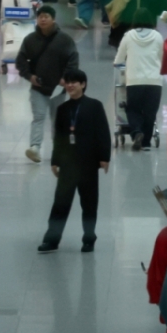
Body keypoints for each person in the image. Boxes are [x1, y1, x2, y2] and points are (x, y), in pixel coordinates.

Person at [38, 68, 111, 253]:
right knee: (60, 203)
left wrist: (104, 157)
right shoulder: (62, 109)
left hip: (88, 163)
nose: (70, 85)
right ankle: (51, 239)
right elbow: (59, 137)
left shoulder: (95, 106)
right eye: (68, 82)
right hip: (68, 164)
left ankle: (89, 238)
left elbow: (103, 133)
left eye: (74, 82)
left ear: (83, 84)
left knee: (89, 204)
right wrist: (55, 160)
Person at [15, 6, 80, 164]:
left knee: (57, 120)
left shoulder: (65, 40)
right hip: (38, 87)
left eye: (46, 16)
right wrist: (29, 76)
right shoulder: (30, 40)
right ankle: (35, 147)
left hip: (58, 89)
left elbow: (73, 60)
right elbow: (20, 60)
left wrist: (67, 78)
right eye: (40, 17)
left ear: (53, 19)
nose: (43, 19)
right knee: (38, 117)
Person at [114, 8, 164, 151]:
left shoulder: (128, 36)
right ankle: (146, 143)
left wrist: (119, 63)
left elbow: (118, 59)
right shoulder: (158, 36)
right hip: (154, 81)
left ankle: (136, 132)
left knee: (133, 109)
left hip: (134, 80)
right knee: (150, 112)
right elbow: (162, 57)